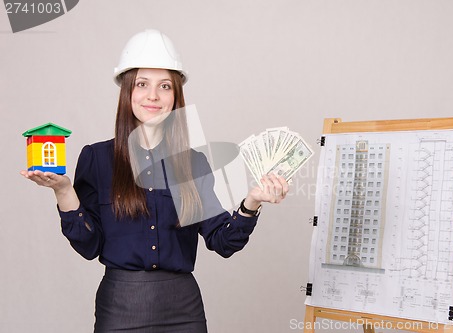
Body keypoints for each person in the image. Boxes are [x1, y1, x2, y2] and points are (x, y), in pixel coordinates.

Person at [20, 29, 288, 333]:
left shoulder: (193, 163)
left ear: (175, 97)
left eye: (164, 86)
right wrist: (64, 191)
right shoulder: (97, 158)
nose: (153, 96)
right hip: (120, 307)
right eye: (142, 84)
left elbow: (222, 241)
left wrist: (251, 201)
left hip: (184, 309)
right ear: (126, 91)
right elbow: (89, 245)